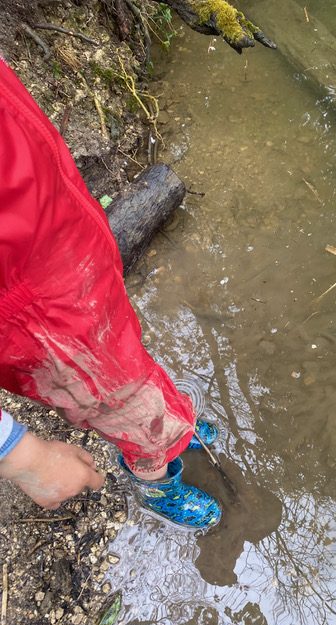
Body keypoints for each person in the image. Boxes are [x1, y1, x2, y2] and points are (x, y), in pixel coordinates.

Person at [0, 57, 221, 530]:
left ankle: (174, 423)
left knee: (130, 362)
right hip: (35, 316)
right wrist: (16, 451)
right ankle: (155, 481)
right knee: (130, 409)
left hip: (67, 254)